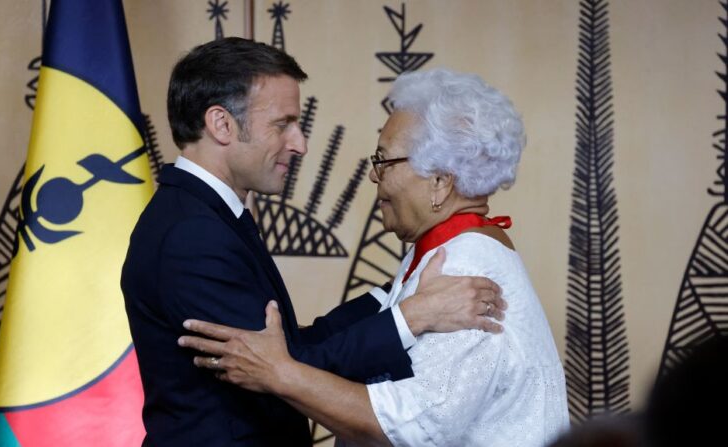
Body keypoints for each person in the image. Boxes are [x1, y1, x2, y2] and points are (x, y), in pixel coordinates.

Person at [121, 39, 507, 446]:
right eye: (282, 124)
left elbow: (287, 348)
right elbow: (280, 370)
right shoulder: (191, 234)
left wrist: (398, 293)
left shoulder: (202, 216)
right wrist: (412, 316)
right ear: (221, 124)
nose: (300, 143)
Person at [179, 68, 570, 446]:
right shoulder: (444, 252)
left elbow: (410, 428)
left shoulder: (464, 269)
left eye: (384, 161)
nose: (373, 176)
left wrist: (280, 373)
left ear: (439, 182)